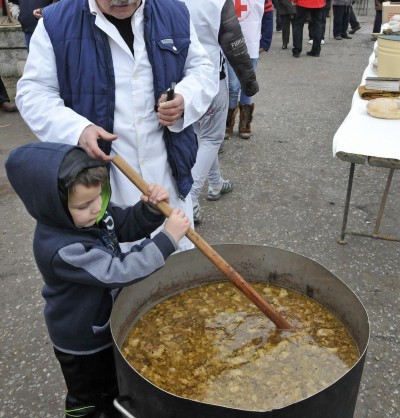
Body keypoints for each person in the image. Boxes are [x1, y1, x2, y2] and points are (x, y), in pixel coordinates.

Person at [5, 141, 191, 418]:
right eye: (84, 205)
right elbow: (120, 270)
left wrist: (150, 211)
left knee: (113, 385)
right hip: (82, 340)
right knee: (88, 396)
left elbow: (125, 223)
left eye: (100, 197)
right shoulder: (61, 249)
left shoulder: (92, 214)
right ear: (50, 206)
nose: (96, 210)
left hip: (104, 323)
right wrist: (167, 240)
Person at [15, 0, 217, 252]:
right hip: (105, 184)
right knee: (123, 274)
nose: (122, 1)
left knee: (180, 271)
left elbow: (201, 69)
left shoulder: (174, 11)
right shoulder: (56, 23)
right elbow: (33, 92)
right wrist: (77, 128)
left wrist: (185, 98)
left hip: (168, 174)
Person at [181, 0, 259, 224]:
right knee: (212, 138)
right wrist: (249, 83)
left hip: (180, 80)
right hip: (210, 78)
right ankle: (191, 198)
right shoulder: (216, 1)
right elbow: (234, 42)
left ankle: (216, 183)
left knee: (202, 135)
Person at [225, 0, 273, 140]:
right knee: (232, 86)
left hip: (252, 44)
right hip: (230, 44)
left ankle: (245, 122)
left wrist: (265, 41)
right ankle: (228, 122)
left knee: (248, 84)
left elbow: (268, 16)